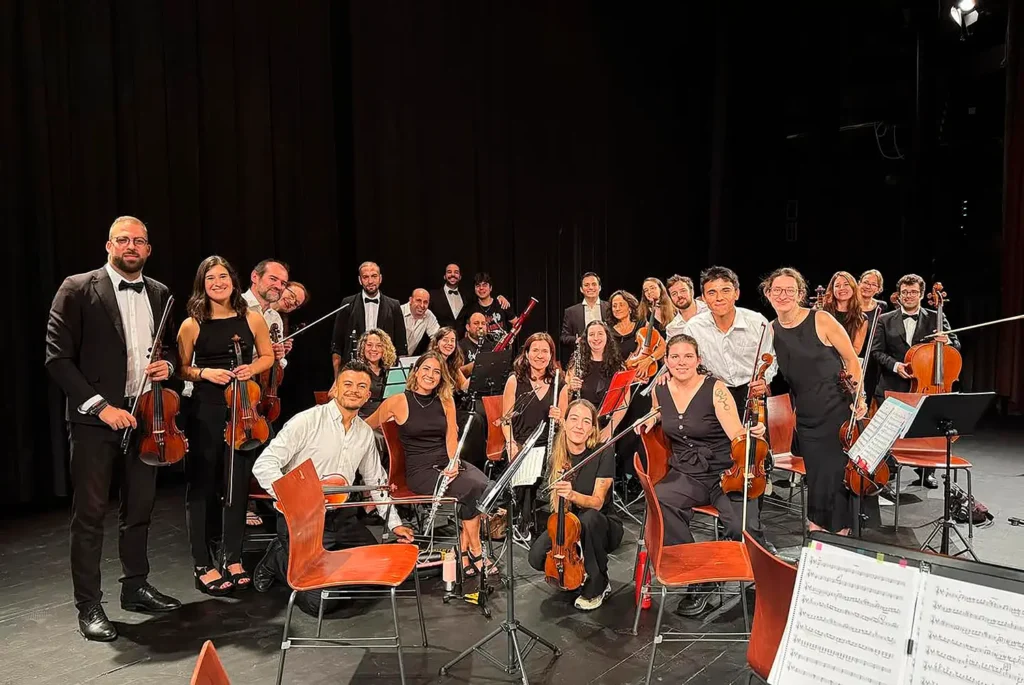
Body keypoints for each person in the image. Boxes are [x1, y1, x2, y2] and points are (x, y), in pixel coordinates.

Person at [45, 216, 182, 641]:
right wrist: (100, 407)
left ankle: (135, 586)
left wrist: (169, 367)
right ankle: (89, 605)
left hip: (146, 414)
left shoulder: (159, 293)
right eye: (123, 239)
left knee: (139, 508)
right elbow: (57, 358)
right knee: (89, 516)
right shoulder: (76, 287)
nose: (131, 246)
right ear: (108, 245)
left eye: (139, 240)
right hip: (94, 419)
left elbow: (172, 347)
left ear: (148, 249)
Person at [250, 361, 415, 616]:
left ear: (368, 395)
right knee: (322, 604)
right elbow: (264, 465)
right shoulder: (306, 421)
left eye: (362, 386)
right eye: (347, 384)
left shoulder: (364, 433)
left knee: (376, 575)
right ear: (334, 389)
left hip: (343, 518)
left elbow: (376, 480)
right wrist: (299, 498)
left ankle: (329, 561)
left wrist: (394, 523)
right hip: (305, 520)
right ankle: (279, 559)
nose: (354, 390)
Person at [637, 334, 767, 617]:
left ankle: (753, 556)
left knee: (739, 525)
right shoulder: (661, 389)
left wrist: (750, 435)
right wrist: (653, 417)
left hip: (724, 472)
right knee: (661, 500)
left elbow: (735, 433)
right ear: (666, 361)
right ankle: (698, 576)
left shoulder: (715, 389)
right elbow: (661, 412)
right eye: (674, 357)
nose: (681, 362)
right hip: (688, 472)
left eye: (687, 356)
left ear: (698, 360)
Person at [176, 256, 276, 596]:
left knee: (236, 487)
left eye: (223, 276)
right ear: (201, 284)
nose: (217, 283)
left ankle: (232, 557)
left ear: (233, 281)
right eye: (210, 278)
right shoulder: (192, 324)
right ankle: (202, 563)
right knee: (202, 488)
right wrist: (205, 373)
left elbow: (268, 356)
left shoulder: (252, 317)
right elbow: (180, 368)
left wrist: (251, 368)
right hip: (206, 411)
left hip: (243, 412)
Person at [367, 352, 495, 576]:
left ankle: (464, 552)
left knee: (484, 484)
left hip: (446, 462)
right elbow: (367, 426)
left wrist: (454, 462)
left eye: (436, 371)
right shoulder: (397, 401)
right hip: (420, 471)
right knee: (472, 488)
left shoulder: (445, 401)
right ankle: (475, 551)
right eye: (426, 369)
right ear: (415, 372)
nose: (431, 375)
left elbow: (450, 438)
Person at [763, 267, 866, 535]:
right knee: (817, 474)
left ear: (799, 293)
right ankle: (819, 527)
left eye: (790, 290)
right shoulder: (770, 330)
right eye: (777, 290)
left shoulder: (821, 319)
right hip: (807, 413)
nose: (783, 295)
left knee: (834, 473)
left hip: (837, 408)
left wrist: (858, 395)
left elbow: (852, 360)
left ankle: (838, 531)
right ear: (768, 293)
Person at [528, 400, 623, 611]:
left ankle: (599, 584)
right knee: (536, 557)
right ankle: (576, 570)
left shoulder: (603, 452)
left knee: (588, 518)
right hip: (570, 522)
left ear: (592, 429)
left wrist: (572, 494)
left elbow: (597, 503)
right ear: (564, 422)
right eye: (574, 419)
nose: (579, 426)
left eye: (586, 421)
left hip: (602, 525)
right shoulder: (557, 452)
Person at [871, 273, 960, 488]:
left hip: (927, 384)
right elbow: (876, 352)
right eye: (905, 292)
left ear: (921, 295)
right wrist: (896, 366)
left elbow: (955, 345)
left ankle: (926, 471)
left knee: (927, 428)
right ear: (898, 295)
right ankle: (890, 468)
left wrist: (947, 340)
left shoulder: (936, 316)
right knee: (891, 431)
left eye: (913, 292)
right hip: (893, 384)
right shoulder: (884, 319)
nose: (908, 296)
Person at [677, 266, 777, 409]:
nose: (719, 298)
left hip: (751, 393)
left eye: (726, 290)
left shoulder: (758, 322)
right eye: (712, 292)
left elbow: (770, 358)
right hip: (714, 393)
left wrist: (764, 380)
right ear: (704, 298)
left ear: (736, 293)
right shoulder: (693, 328)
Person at [501, 332, 563, 537]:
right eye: (534, 350)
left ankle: (526, 518)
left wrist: (559, 415)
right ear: (526, 354)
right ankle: (524, 519)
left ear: (551, 355)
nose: (540, 355)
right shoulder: (515, 380)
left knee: (536, 465)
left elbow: (564, 422)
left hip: (548, 443)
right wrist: (510, 443)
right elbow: (505, 420)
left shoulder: (558, 382)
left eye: (545, 351)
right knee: (527, 465)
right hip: (520, 441)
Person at [331, 261, 407, 373]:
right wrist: (337, 379)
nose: (370, 281)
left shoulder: (394, 305)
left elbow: (401, 346)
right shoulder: (347, 303)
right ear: (360, 280)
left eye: (374, 276)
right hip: (353, 370)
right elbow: (337, 344)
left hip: (384, 370)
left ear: (380, 278)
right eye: (365, 277)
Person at [562, 321, 629, 439]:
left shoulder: (618, 366)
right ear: (586, 338)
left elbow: (624, 402)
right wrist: (570, 388)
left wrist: (609, 429)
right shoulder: (577, 362)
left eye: (600, 334)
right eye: (591, 334)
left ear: (607, 337)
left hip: (607, 426)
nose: (596, 338)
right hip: (581, 427)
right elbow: (564, 399)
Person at [559, 272, 612, 359]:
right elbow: (564, 337)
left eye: (594, 284)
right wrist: (578, 340)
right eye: (586, 285)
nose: (590, 287)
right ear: (581, 289)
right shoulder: (571, 312)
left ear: (599, 288)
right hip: (582, 357)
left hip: (607, 356)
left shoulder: (609, 308)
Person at [856, 269, 887, 406]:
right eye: (865, 282)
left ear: (879, 289)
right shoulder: (850, 305)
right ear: (858, 283)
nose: (868, 287)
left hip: (871, 361)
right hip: (852, 356)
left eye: (873, 284)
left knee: (866, 398)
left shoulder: (882, 307)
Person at [352, 329, 397, 419]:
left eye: (379, 346)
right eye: (369, 345)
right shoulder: (355, 370)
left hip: (388, 417)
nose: (374, 349)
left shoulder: (389, 371)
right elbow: (333, 394)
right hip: (365, 419)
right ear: (363, 347)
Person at [822, 271, 867, 355]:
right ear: (832, 290)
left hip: (844, 363)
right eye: (837, 286)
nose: (842, 288)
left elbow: (856, 350)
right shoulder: (822, 312)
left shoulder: (861, 318)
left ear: (853, 288)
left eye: (846, 284)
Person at [464, 272, 515, 344]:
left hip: (502, 351)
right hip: (481, 352)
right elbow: (467, 333)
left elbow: (516, 323)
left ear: (490, 288)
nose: (481, 288)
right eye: (478, 285)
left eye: (484, 285)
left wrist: (511, 337)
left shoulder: (501, 303)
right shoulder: (471, 309)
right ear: (474, 289)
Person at [402, 288, 440, 355]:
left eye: (425, 302)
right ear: (410, 300)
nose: (422, 305)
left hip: (407, 359)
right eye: (418, 301)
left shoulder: (429, 315)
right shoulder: (399, 311)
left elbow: (437, 337)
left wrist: (430, 353)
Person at [457, 311, 495, 378]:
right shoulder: (460, 346)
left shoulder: (492, 346)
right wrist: (474, 366)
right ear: (468, 327)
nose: (480, 326)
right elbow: (455, 372)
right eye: (476, 323)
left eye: (483, 323)